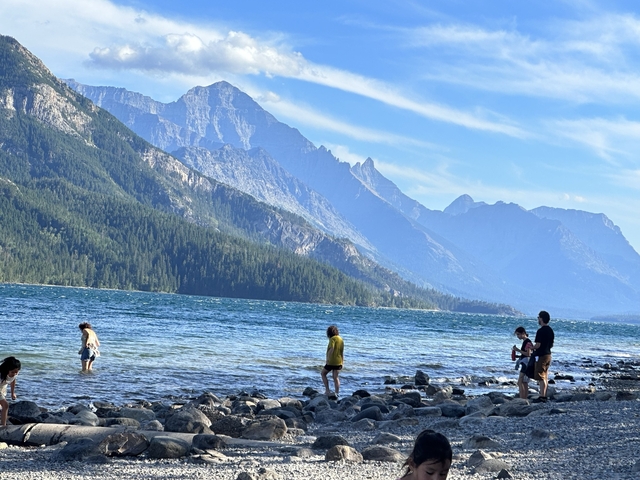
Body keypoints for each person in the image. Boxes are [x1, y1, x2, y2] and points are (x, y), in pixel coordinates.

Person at [531, 310, 554, 402]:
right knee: (545, 375)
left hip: (542, 355)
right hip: (548, 354)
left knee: (540, 376)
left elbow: (538, 345)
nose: (538, 319)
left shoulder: (540, 331)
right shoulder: (550, 330)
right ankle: (543, 395)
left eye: (538, 318)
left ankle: (542, 396)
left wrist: (531, 348)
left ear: (541, 319)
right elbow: (551, 344)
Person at [321, 325, 344, 398]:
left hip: (331, 361)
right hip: (339, 361)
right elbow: (341, 351)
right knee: (335, 377)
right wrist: (342, 361)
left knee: (323, 374)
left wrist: (328, 358)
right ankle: (336, 393)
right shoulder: (341, 339)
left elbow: (332, 349)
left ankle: (327, 390)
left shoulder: (332, 339)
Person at [512, 326, 534, 399]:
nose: (518, 336)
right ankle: (524, 398)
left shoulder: (527, 342)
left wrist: (518, 350)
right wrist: (518, 356)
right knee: (524, 382)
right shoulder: (526, 341)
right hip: (527, 362)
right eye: (517, 335)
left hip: (526, 364)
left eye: (518, 334)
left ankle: (522, 398)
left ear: (523, 333)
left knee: (520, 382)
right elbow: (526, 354)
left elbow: (528, 354)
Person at [0, 356, 21, 427]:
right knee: (5, 405)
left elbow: (13, 381)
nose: (14, 374)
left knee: (3, 406)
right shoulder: (1, 375)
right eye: (12, 372)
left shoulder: (15, 373)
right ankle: (3, 425)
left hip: (2, 388)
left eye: (16, 372)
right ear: (7, 370)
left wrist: (12, 393)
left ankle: (2, 424)